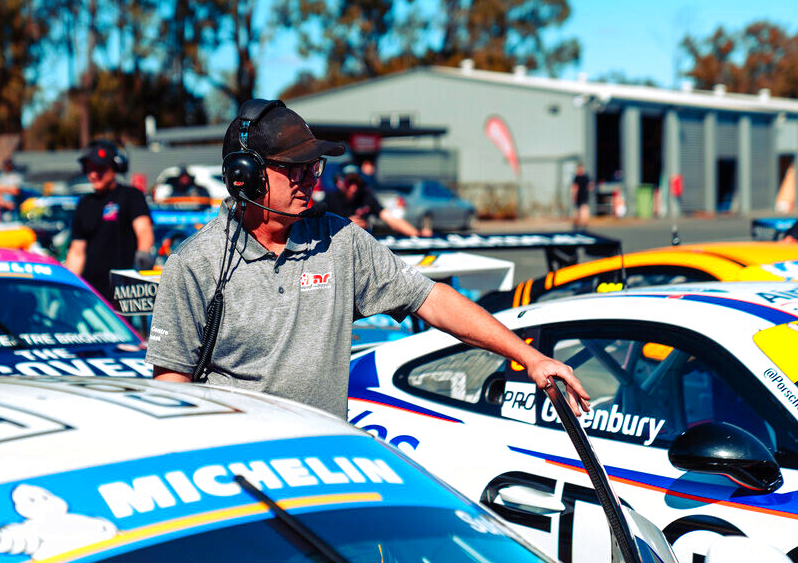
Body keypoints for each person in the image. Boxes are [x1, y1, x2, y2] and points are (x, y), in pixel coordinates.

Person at [145, 99, 590, 419]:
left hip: (326, 467)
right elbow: (171, 388)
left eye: (313, 168)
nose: (308, 181)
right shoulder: (195, 265)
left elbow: (431, 299)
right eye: (293, 169)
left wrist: (529, 356)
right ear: (246, 177)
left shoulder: (340, 240)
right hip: (243, 482)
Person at [64, 139, 155, 299]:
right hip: (92, 295)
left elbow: (144, 230)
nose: (93, 174)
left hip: (125, 294)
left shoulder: (131, 196)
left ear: (116, 167)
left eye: (100, 169)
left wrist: (143, 257)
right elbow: (77, 251)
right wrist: (69, 287)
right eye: (89, 169)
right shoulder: (84, 203)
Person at [323, 164, 430, 237]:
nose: (354, 188)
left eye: (357, 182)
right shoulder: (330, 198)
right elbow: (318, 227)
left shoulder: (366, 196)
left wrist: (417, 234)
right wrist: (344, 224)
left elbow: (390, 218)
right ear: (339, 182)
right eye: (349, 182)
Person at [570, 163, 591, 230]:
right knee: (577, 211)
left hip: (584, 195)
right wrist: (573, 196)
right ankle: (576, 224)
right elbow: (574, 187)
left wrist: (588, 191)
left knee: (584, 210)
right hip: (578, 196)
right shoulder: (576, 177)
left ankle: (584, 224)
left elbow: (590, 185)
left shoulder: (586, 177)